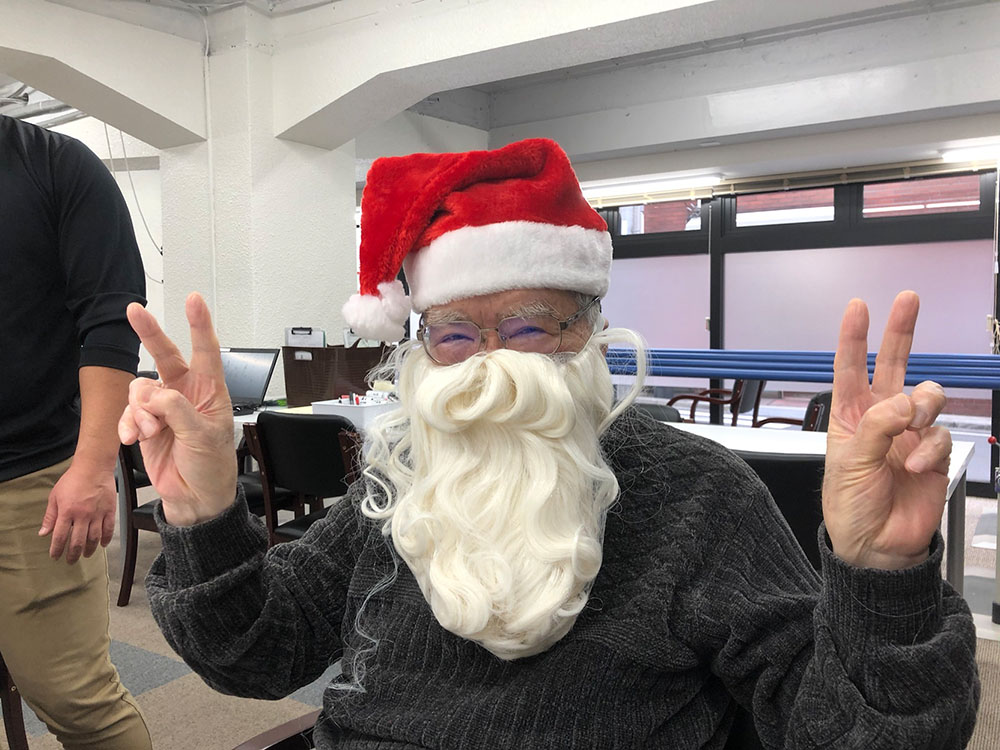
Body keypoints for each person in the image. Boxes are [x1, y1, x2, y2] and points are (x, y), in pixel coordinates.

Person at [123, 138, 978, 749]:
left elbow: (850, 733)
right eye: (455, 334)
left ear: (588, 331)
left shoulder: (699, 496)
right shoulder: (402, 479)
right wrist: (204, 515)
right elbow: (259, 653)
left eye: (529, 326)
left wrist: (883, 578)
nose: (490, 366)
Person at [0, 115, 153, 748]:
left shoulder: (54, 164)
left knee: (78, 703)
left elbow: (111, 322)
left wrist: (92, 469)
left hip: (31, 482)